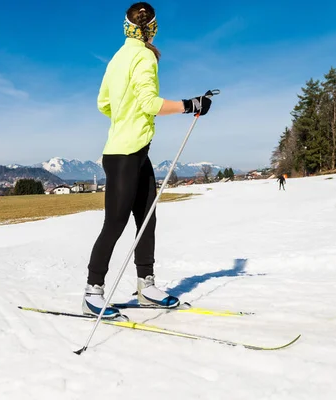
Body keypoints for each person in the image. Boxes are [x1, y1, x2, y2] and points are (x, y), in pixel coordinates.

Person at [82, 2, 213, 318]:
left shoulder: (115, 59)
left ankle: (146, 285)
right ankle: (92, 292)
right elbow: (150, 103)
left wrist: (124, 118)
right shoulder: (143, 56)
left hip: (134, 150)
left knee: (147, 218)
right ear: (151, 29)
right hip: (125, 153)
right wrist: (190, 104)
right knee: (115, 222)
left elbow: (103, 104)